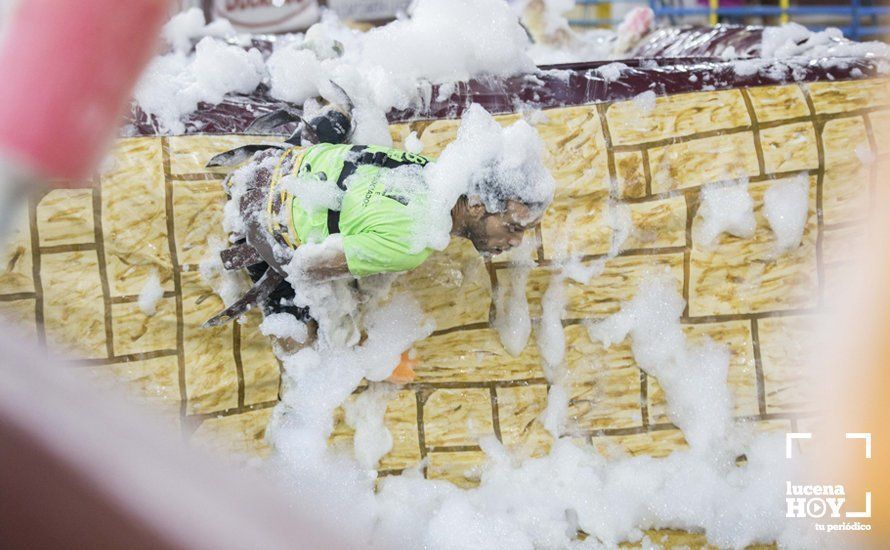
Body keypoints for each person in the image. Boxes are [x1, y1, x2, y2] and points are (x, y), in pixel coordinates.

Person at [205, 107, 551, 383]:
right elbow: (305, 269)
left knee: (342, 122)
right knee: (302, 352)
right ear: (476, 204)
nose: (516, 240)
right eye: (511, 226)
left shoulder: (431, 168)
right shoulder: (412, 242)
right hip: (256, 222)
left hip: (274, 164)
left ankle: (335, 112)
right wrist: (356, 338)